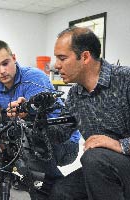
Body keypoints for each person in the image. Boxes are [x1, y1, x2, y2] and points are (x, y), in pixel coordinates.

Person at [0, 40, 80, 185]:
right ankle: (34, 181)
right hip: (34, 139)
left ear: (14, 58)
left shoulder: (34, 78)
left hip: (65, 143)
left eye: (5, 63)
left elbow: (38, 119)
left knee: (23, 135)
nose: (2, 71)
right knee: (9, 134)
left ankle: (61, 188)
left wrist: (26, 111)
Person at [49, 26, 130, 200]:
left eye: (62, 58)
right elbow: (58, 135)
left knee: (94, 158)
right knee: (61, 192)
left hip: (120, 162)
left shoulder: (126, 80)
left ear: (85, 57)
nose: (56, 65)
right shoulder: (74, 94)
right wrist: (35, 115)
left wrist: (120, 145)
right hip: (101, 166)